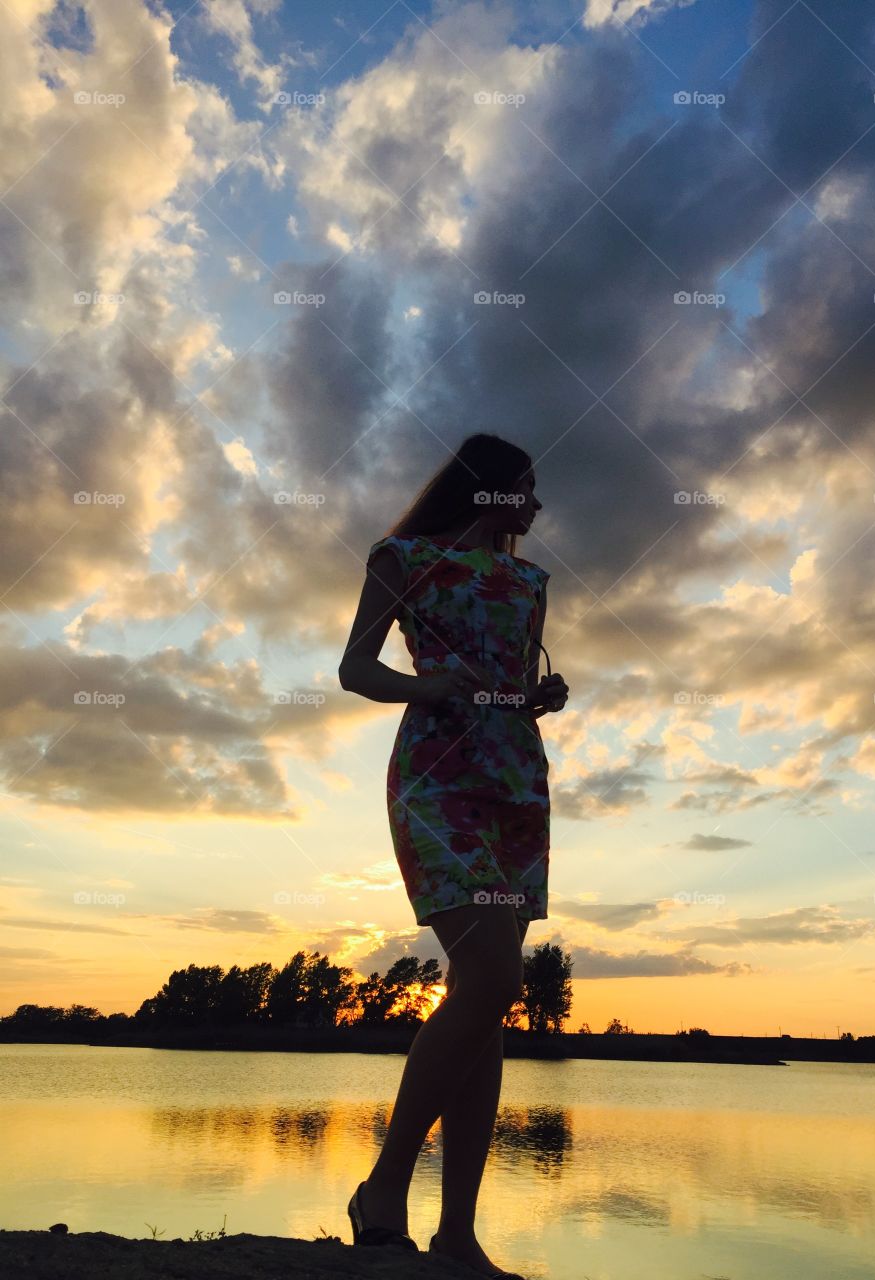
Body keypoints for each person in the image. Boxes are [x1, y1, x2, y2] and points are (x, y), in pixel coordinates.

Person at [339, 433, 568, 1279]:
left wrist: (538, 698)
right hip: (436, 782)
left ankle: (458, 1236)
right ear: (492, 489)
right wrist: (423, 685)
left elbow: (510, 682)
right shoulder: (402, 557)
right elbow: (355, 667)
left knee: (487, 996)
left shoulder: (529, 583)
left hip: (515, 785)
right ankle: (384, 1186)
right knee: (497, 982)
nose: (537, 506)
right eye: (527, 488)